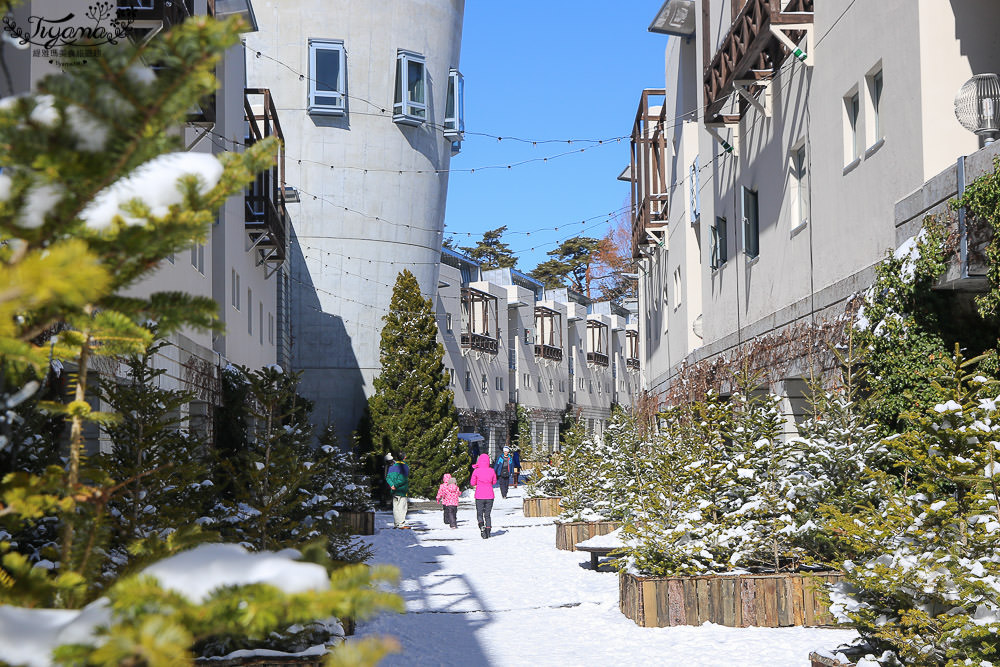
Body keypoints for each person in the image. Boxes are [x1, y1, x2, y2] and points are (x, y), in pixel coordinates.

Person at [469, 452, 497, 539]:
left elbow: (472, 483)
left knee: (480, 514)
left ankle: (482, 526)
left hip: (479, 496)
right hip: (489, 495)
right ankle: (488, 531)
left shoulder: (476, 471)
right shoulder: (491, 471)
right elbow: (494, 482)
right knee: (487, 514)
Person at [385, 452, 410, 529]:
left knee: (395, 508)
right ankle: (401, 524)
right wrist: (395, 485)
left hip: (394, 491)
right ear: (404, 457)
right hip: (402, 490)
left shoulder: (392, 467)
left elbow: (388, 477)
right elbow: (403, 479)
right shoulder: (404, 466)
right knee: (402, 508)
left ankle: (396, 523)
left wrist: (392, 485)